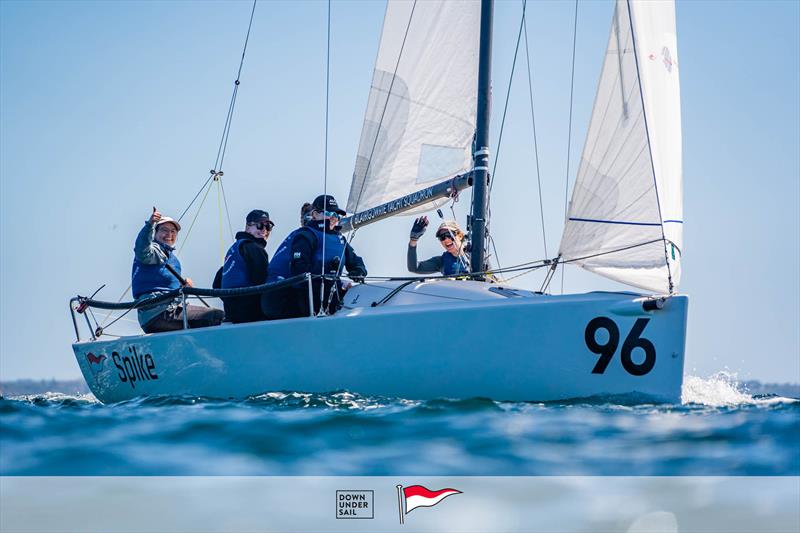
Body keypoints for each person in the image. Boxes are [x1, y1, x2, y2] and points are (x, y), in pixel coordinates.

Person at [264, 194, 367, 318]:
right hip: (304, 298)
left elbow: (355, 262)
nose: (333, 218)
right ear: (315, 215)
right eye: (329, 213)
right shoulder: (305, 235)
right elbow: (300, 269)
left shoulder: (339, 239)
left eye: (336, 215)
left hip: (330, 295)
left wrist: (358, 271)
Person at [132, 207, 224, 333]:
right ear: (155, 233)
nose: (169, 235)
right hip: (158, 313)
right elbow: (142, 250)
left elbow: (170, 291)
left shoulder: (173, 259)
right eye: (164, 230)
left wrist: (183, 288)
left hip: (167, 311)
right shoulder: (154, 251)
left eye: (173, 231)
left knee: (209, 322)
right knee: (216, 316)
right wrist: (150, 225)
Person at [212, 209, 274, 323]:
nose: (264, 230)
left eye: (268, 227)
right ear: (248, 227)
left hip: (232, 315)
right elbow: (262, 281)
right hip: (250, 314)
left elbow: (216, 283)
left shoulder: (234, 249)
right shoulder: (254, 248)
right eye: (260, 225)